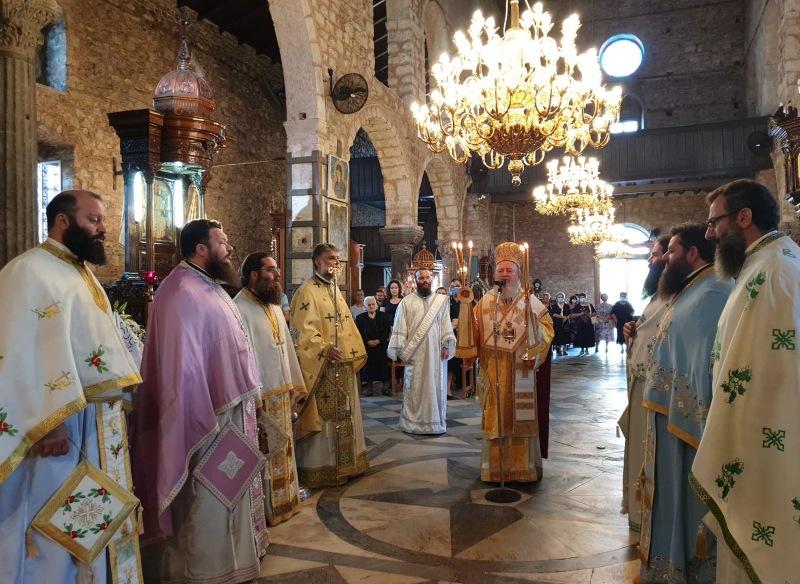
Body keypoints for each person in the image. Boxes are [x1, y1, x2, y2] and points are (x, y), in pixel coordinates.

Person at [0, 190, 142, 584]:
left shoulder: (80, 272)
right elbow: (17, 352)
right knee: (55, 516)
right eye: (93, 219)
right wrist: (48, 423)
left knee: (91, 514)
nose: (103, 228)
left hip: (95, 423)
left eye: (103, 220)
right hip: (58, 425)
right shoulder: (28, 272)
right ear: (63, 221)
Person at [133, 219, 266, 583]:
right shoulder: (180, 291)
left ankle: (236, 563)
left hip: (229, 412)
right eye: (222, 242)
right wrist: (201, 409)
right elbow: (181, 367)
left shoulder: (208, 285)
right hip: (204, 417)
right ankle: (209, 570)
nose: (230, 248)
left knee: (230, 488)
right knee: (209, 494)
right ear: (202, 249)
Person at [690, 179, 800, 583]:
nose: (709, 234)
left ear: (743, 218)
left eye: (714, 222)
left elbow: (770, 374)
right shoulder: (769, 262)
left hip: (763, 444)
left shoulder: (771, 271)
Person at [638, 224, 732, 584]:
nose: (664, 259)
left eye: (671, 251)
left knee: (686, 495)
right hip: (670, 416)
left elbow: (704, 360)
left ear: (693, 253)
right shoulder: (692, 288)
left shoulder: (712, 292)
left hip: (688, 423)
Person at [234, 252, 306, 526]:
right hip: (260, 396)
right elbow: (243, 358)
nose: (277, 275)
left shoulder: (274, 306)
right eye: (271, 270)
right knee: (266, 450)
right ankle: (266, 509)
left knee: (283, 448)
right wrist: (254, 397)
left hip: (281, 391)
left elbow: (284, 346)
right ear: (254, 275)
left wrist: (293, 382)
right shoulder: (239, 308)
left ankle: (288, 500)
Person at [474, 243, 554, 482]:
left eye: (509, 270)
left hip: (522, 369)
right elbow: (474, 333)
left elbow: (548, 329)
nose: (504, 274)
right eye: (500, 270)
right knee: (495, 417)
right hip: (493, 371)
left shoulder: (530, 302)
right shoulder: (484, 302)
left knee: (521, 418)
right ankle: (494, 469)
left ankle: (522, 469)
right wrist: (466, 312)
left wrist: (535, 333)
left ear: (519, 274)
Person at [290, 243, 369, 487]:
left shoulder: (335, 290)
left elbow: (346, 327)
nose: (336, 262)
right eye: (331, 258)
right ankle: (324, 469)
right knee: (326, 418)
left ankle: (348, 465)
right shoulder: (306, 292)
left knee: (345, 414)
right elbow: (301, 332)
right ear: (318, 262)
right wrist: (324, 348)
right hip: (323, 367)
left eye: (337, 258)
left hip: (342, 365)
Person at [619, 234, 670, 532]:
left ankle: (650, 516)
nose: (650, 259)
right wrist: (632, 328)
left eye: (656, 254)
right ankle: (640, 512)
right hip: (644, 385)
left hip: (658, 390)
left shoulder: (677, 294)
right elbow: (648, 328)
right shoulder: (659, 295)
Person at [388, 268, 455, 434]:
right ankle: (413, 423)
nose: (424, 280)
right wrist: (402, 350)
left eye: (427, 278)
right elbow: (400, 326)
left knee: (435, 386)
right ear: (415, 280)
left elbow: (445, 324)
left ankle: (436, 423)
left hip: (436, 353)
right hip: (415, 353)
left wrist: (446, 345)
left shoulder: (441, 301)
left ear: (431, 279)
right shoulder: (406, 302)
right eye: (421, 278)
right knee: (415, 387)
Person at [355, 296, 391, 396]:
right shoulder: (360, 318)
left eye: (373, 304)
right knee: (368, 367)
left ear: (376, 305)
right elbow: (359, 333)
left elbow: (387, 331)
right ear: (365, 306)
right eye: (369, 305)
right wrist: (368, 341)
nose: (371, 306)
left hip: (381, 345)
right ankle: (369, 390)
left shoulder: (384, 316)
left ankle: (385, 389)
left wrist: (379, 340)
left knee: (383, 366)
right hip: (368, 347)